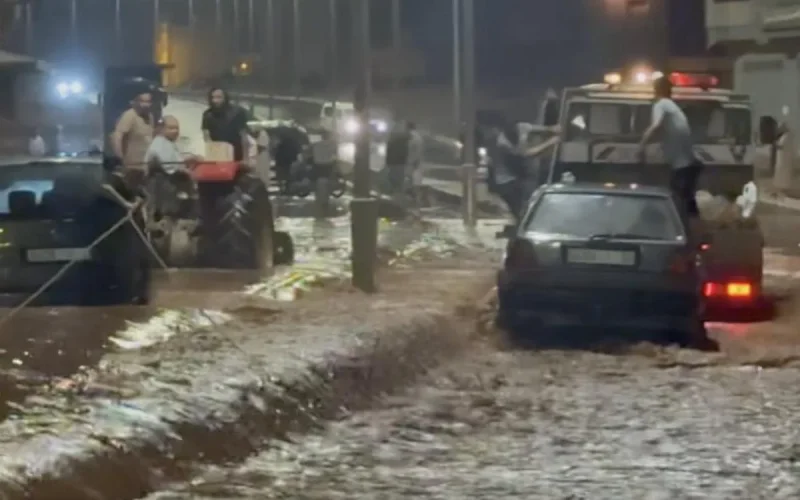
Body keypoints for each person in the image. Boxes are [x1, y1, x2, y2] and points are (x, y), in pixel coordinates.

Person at [638, 75, 701, 231]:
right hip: (689, 163)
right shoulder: (673, 107)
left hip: (681, 165)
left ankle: (675, 234)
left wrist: (641, 146)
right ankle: (694, 232)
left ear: (656, 90)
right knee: (687, 202)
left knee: (673, 202)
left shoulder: (661, 105)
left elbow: (656, 125)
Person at [111, 91, 155, 189]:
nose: (145, 105)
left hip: (145, 165)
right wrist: (119, 157)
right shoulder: (129, 115)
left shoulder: (150, 117)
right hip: (132, 166)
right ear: (135, 102)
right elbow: (117, 136)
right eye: (142, 101)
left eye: (148, 101)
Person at [201, 87, 249, 162]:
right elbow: (206, 137)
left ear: (225, 98)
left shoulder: (237, 112)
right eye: (213, 97)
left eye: (219, 97)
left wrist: (246, 159)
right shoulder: (207, 115)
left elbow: (244, 137)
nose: (215, 101)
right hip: (218, 154)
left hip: (236, 153)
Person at [385, 123, 409, 194]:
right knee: (399, 178)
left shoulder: (392, 141)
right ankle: (398, 191)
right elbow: (406, 153)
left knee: (393, 178)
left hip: (394, 163)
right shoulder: (404, 141)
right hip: (400, 163)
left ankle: (393, 191)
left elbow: (389, 152)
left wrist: (388, 163)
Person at [406, 122, 424, 203]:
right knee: (415, 183)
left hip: (411, 163)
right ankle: (416, 200)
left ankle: (414, 201)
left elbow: (411, 150)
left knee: (411, 183)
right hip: (416, 163)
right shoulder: (418, 137)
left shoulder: (411, 137)